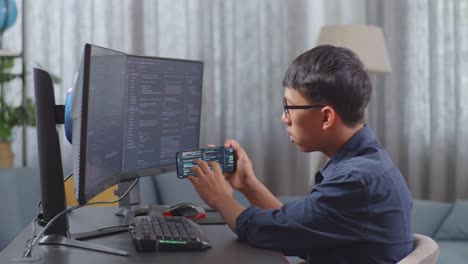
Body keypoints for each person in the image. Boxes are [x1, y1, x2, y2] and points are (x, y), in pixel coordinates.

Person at [187, 45, 414, 263]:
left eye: (289, 107)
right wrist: (248, 184)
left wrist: (220, 199)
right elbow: (296, 230)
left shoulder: (355, 182)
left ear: (326, 117)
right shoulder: (366, 164)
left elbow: (264, 232)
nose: (284, 118)